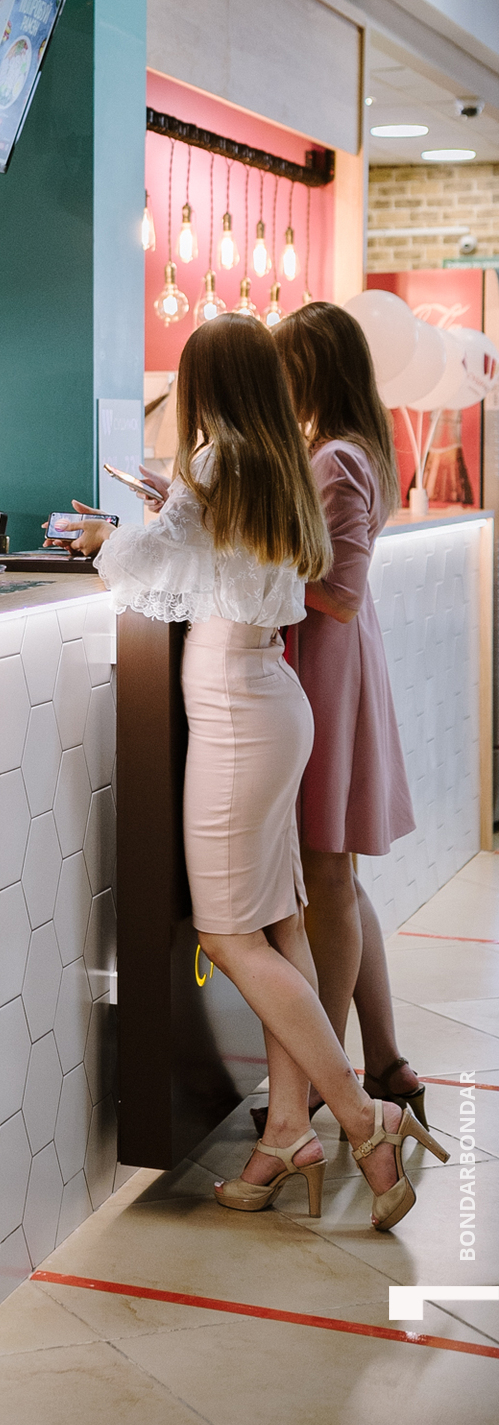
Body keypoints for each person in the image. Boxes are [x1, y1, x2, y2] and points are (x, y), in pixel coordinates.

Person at [62, 314, 446, 1228]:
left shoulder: (213, 461)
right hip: (276, 699)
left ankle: (361, 1116)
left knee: (230, 937)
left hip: (236, 713)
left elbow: (144, 572)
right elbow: (225, 565)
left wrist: (101, 540)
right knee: (280, 923)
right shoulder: (277, 462)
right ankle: (287, 1132)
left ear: (203, 385)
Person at [273, 300, 427, 1125]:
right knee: (339, 875)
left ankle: (325, 1078)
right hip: (338, 664)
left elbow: (336, 593)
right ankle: (386, 1063)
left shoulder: (334, 457)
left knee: (325, 873)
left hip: (326, 667)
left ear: (312, 371)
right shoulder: (355, 448)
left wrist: (253, 563)